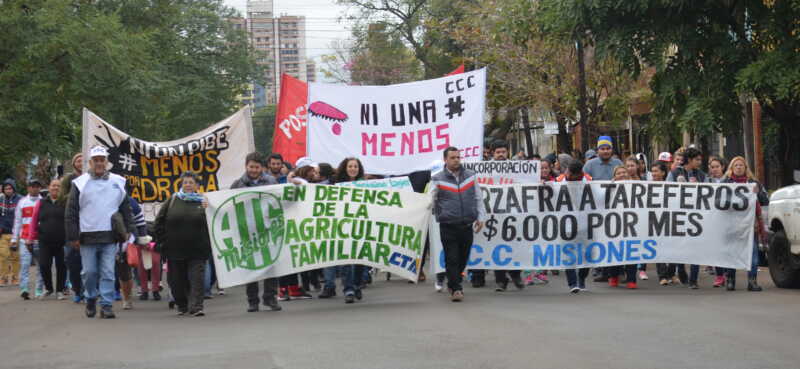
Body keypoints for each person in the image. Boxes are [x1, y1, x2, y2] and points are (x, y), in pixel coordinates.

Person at [65, 146, 135, 319]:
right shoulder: (80, 183)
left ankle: (106, 305)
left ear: (106, 162)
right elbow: (71, 211)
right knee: (89, 273)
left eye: (101, 160)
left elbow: (126, 208)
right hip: (87, 236)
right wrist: (73, 236)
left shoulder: (118, 181)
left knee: (108, 273)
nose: (99, 163)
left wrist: (129, 230)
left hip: (110, 236)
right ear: (90, 162)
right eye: (95, 160)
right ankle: (90, 298)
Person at [430, 147, 485, 302]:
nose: (456, 160)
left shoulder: (470, 176)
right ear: (445, 160)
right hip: (448, 225)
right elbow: (431, 199)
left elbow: (478, 197)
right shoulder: (437, 178)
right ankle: (456, 288)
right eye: (452, 157)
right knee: (452, 257)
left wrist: (480, 217)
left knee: (463, 257)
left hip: (466, 224)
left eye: (458, 157)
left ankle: (453, 281)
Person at [155, 171, 212, 316]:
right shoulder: (173, 200)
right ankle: (182, 305)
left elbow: (214, 222)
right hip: (175, 249)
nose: (188, 185)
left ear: (197, 186)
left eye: (191, 182)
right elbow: (159, 221)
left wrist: (209, 208)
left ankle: (197, 307)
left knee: (197, 279)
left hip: (198, 249)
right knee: (176, 281)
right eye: (185, 182)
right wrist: (162, 241)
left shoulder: (204, 201)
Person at [231, 152, 282, 313]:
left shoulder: (271, 181)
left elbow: (279, 201)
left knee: (271, 265)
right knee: (251, 267)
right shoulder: (237, 184)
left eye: (257, 167)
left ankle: (270, 298)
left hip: (268, 230)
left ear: (262, 168)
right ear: (246, 166)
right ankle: (252, 301)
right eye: (251, 167)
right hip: (247, 231)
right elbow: (228, 205)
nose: (254, 170)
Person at [319, 157, 367, 302]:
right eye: (350, 166)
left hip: (359, 226)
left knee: (359, 261)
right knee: (346, 259)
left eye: (355, 166)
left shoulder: (365, 184)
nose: (353, 169)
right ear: (345, 168)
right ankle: (349, 290)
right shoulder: (335, 183)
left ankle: (356, 285)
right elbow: (316, 189)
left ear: (359, 169)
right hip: (342, 226)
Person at [722, 156, 768, 292]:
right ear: (731, 168)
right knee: (731, 253)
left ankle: (752, 281)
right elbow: (718, 201)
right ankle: (730, 280)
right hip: (731, 225)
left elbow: (765, 200)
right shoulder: (725, 183)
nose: (738, 167)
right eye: (736, 165)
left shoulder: (754, 183)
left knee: (753, 254)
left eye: (741, 165)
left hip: (750, 226)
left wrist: (757, 193)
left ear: (745, 168)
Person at [666, 147, 705, 289]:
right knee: (680, 245)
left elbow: (708, 191)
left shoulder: (701, 175)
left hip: (696, 216)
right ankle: (681, 269)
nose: (700, 162)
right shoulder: (674, 173)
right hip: (679, 216)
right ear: (689, 160)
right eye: (697, 159)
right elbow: (666, 191)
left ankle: (693, 279)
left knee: (696, 248)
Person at [278, 157, 316, 301]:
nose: (313, 172)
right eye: (311, 170)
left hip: (297, 223)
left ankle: (291, 288)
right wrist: (293, 179)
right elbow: (304, 188)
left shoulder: (295, 180)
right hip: (292, 224)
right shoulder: (299, 182)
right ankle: (284, 289)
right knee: (288, 258)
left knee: (292, 258)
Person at [491, 140, 524, 292]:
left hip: (513, 213)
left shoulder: (517, 168)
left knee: (515, 245)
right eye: (498, 152)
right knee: (497, 246)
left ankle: (516, 274)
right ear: (493, 154)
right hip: (494, 214)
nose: (501, 155)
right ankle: (500, 280)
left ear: (508, 152)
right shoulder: (486, 169)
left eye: (503, 152)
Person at [29, 179, 68, 300]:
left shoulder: (65, 202)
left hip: (62, 241)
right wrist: (30, 237)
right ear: (49, 187)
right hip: (44, 240)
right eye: (53, 185)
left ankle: (60, 290)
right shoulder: (41, 202)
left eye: (58, 186)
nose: (56, 188)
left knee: (62, 266)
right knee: (44, 265)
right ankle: (49, 288)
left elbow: (71, 220)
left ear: (62, 188)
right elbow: (34, 221)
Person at [558, 160, 591, 293]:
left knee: (587, 254)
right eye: (568, 174)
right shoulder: (559, 181)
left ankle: (581, 278)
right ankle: (573, 283)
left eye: (572, 175)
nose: (569, 176)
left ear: (580, 174)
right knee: (568, 254)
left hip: (585, 224)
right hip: (565, 225)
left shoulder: (589, 181)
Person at [11, 179, 45, 300]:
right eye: (32, 186)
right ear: (28, 188)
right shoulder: (22, 202)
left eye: (37, 186)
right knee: (25, 264)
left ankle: (39, 290)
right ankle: (24, 289)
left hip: (39, 239)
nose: (35, 188)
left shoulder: (43, 202)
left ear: (40, 188)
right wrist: (14, 239)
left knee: (41, 266)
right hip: (24, 239)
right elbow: (17, 221)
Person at [59, 153, 84, 302]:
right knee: (72, 259)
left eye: (83, 160)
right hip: (72, 222)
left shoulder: (91, 177)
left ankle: (88, 290)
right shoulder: (69, 179)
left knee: (88, 260)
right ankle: (77, 289)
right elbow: (61, 198)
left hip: (88, 223)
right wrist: (76, 194)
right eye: (78, 161)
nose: (80, 163)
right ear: (74, 163)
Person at [707, 156, 728, 286]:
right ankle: (719, 275)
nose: (714, 169)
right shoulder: (707, 181)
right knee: (715, 248)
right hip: (712, 220)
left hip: (726, 219)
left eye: (717, 167)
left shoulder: (729, 181)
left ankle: (727, 273)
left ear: (722, 167)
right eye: (712, 167)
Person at [0, 179, 22, 287]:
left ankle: (15, 277)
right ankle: (2, 278)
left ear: (14, 188)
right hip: (3, 234)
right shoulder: (1, 199)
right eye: (6, 189)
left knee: (15, 257)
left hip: (16, 233)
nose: (8, 190)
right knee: (3, 256)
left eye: (10, 188)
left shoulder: (20, 199)